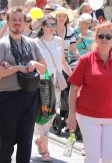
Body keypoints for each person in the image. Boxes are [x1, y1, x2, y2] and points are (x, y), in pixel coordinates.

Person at [0, 6, 46, 163]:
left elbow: (43, 67)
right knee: (7, 141)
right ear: (7, 22)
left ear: (25, 22)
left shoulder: (32, 43)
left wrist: (33, 62)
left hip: (30, 95)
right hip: (8, 97)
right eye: (13, 20)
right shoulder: (2, 45)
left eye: (20, 20)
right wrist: (17, 68)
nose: (17, 23)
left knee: (25, 141)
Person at [67, 21, 112, 163]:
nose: (104, 39)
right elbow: (73, 88)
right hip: (88, 116)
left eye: (108, 37)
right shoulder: (85, 60)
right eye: (101, 36)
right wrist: (71, 114)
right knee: (93, 158)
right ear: (96, 38)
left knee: (110, 157)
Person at [34, 15, 72, 162]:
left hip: (56, 83)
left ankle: (40, 139)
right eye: (48, 24)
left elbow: (62, 61)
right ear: (42, 26)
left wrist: (74, 77)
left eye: (53, 25)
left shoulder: (59, 41)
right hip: (42, 83)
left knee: (51, 116)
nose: (51, 27)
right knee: (45, 114)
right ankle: (46, 150)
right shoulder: (36, 42)